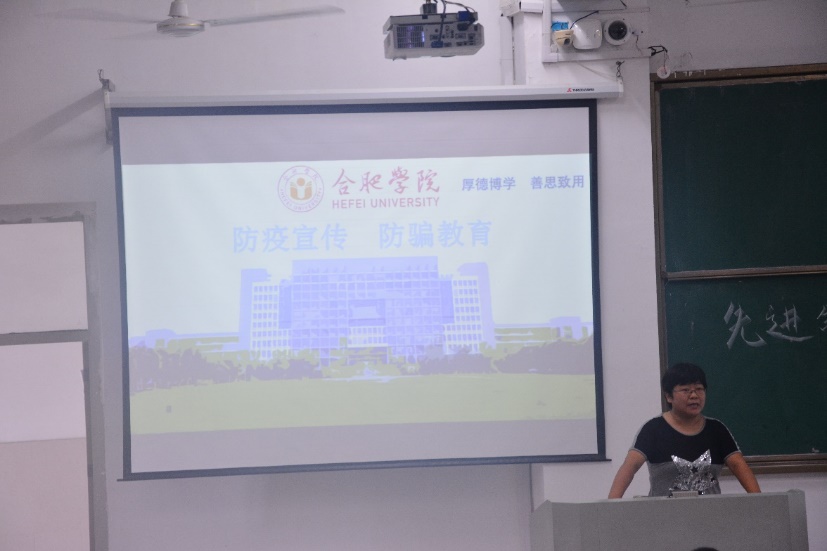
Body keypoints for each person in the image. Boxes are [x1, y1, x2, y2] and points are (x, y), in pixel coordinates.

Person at [608, 362, 761, 498]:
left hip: (710, 516)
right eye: (686, 390)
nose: (694, 395)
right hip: (663, 517)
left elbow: (738, 465)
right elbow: (630, 467)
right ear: (669, 396)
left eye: (699, 389)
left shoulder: (717, 430)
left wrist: (761, 503)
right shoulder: (653, 429)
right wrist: (610, 507)